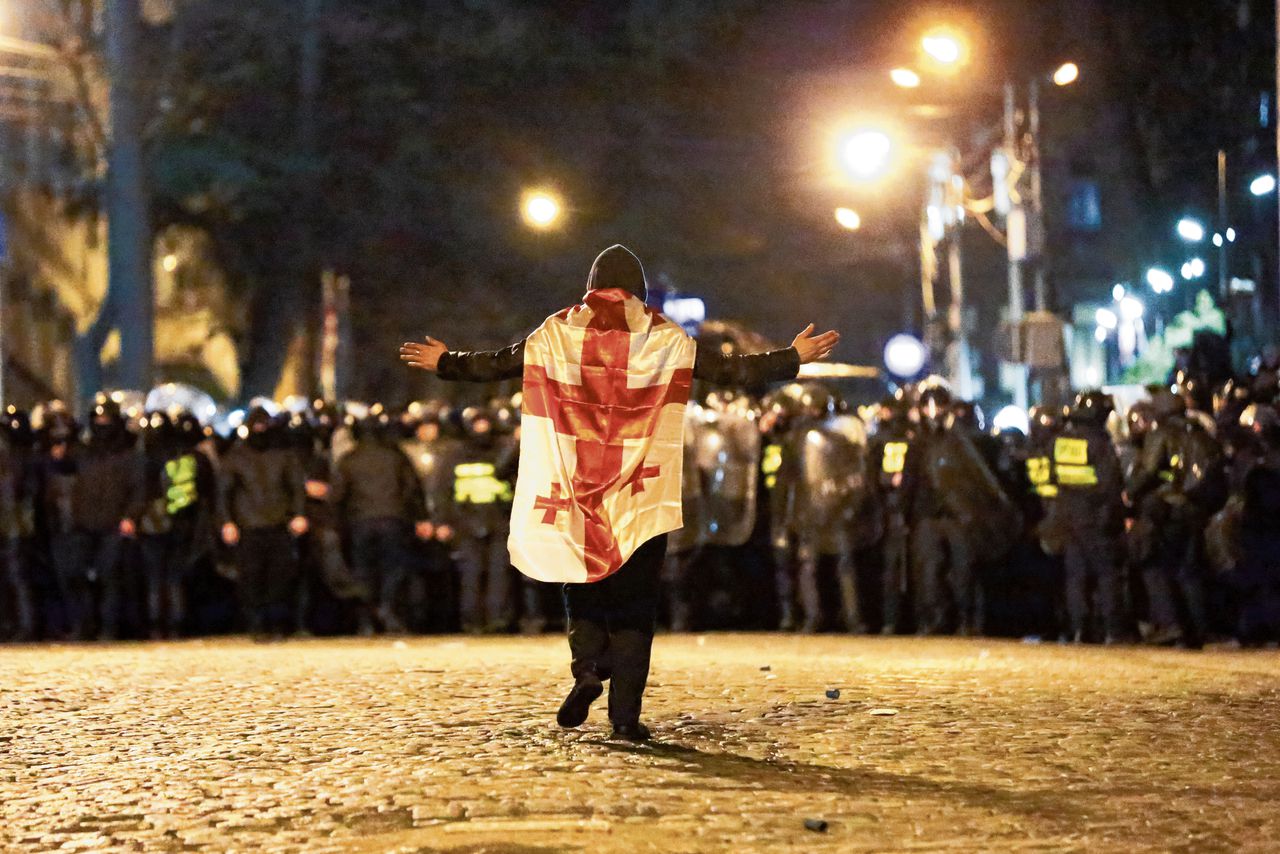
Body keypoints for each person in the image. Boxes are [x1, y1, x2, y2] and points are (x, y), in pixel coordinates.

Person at [400, 244, 836, 740]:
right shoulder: (666, 337)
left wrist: (446, 362)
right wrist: (791, 357)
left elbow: (497, 364)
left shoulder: (557, 330)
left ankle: (587, 668)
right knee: (635, 605)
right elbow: (732, 371)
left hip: (576, 488)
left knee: (577, 577)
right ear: (641, 289)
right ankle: (625, 719)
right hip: (639, 492)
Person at [331, 406, 431, 634]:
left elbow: (338, 495)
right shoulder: (395, 456)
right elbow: (412, 488)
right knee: (394, 569)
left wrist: (339, 523)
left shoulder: (349, 459)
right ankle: (388, 610)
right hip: (393, 519)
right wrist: (419, 516)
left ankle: (367, 619)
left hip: (360, 521)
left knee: (364, 571)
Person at [218, 406, 308, 639]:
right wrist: (227, 522)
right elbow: (224, 492)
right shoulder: (236, 457)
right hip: (249, 526)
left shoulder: (283, 455)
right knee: (252, 579)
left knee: (278, 579)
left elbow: (296, 487)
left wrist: (299, 514)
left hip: (277, 524)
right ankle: (257, 624)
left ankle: (276, 624)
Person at [1051, 391, 1126, 643]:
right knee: (1106, 575)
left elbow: (1055, 478)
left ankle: (1079, 629)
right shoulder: (1099, 442)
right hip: (1095, 518)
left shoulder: (1060, 440)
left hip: (1068, 517)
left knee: (1076, 576)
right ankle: (1112, 630)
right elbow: (1109, 484)